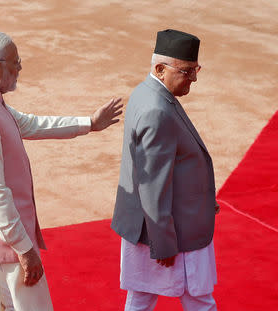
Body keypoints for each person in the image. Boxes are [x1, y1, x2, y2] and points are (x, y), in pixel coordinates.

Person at [0, 30, 122, 310]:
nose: (20, 67)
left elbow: (30, 124)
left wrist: (89, 123)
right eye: (15, 62)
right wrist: (25, 249)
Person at [111, 29, 220, 311]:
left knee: (141, 298)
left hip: (151, 227)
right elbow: (153, 185)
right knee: (198, 299)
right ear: (160, 69)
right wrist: (163, 242)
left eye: (196, 70)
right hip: (171, 232)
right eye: (187, 71)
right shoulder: (157, 110)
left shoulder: (145, 92)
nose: (194, 78)